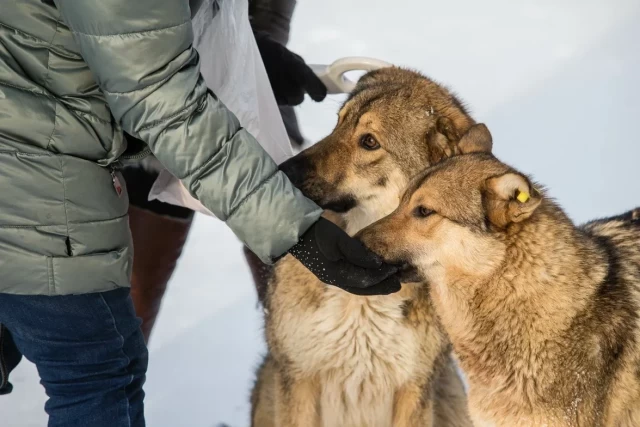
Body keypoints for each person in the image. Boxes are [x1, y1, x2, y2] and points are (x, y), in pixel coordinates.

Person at [0, 1, 400, 425]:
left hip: (33, 134)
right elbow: (166, 105)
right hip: (36, 172)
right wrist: (295, 230)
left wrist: (247, 52)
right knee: (98, 374)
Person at [125, 0, 317, 343]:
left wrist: (254, 56)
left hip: (240, 81)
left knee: (294, 267)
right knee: (123, 313)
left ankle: (302, 365)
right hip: (141, 99)